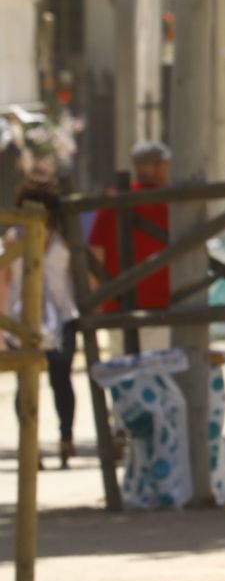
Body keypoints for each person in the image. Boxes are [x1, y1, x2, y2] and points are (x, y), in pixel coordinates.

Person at [1, 176, 81, 468]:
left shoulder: (65, 240)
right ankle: (29, 446)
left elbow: (80, 277)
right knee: (25, 382)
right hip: (23, 319)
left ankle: (66, 439)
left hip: (63, 316)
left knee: (61, 378)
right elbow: (5, 280)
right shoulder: (13, 240)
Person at [88, 140, 174, 312]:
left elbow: (96, 254)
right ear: (159, 167)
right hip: (163, 305)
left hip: (116, 306)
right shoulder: (172, 204)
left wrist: (95, 300)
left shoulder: (112, 201)